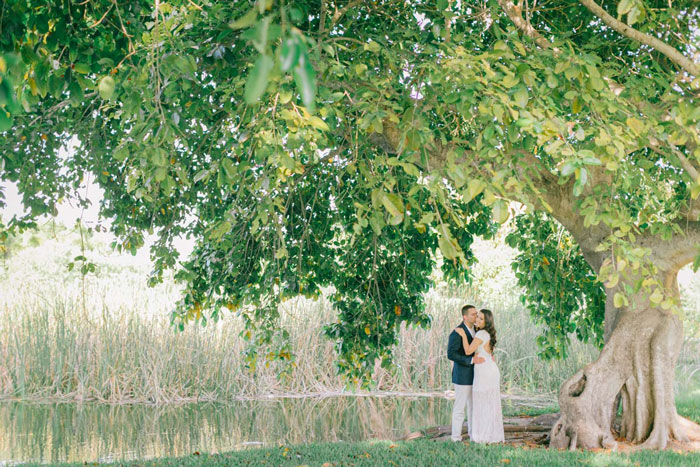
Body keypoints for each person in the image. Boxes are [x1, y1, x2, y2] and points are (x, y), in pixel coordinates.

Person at [455, 308, 505, 443]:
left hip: (484, 371)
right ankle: (491, 434)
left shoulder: (481, 334)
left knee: (481, 403)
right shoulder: (485, 333)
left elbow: (468, 351)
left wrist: (463, 335)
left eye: (481, 318)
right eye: (477, 317)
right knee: (488, 403)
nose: (477, 320)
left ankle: (482, 436)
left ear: (487, 322)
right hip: (489, 368)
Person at [447, 304, 485, 442]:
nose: (476, 316)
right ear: (465, 316)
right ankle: (455, 438)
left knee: (473, 408)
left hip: (477, 376)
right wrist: (470, 360)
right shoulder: (457, 332)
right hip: (462, 376)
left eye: (476, 314)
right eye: (473, 314)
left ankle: (473, 435)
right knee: (460, 408)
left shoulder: (477, 329)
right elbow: (451, 354)